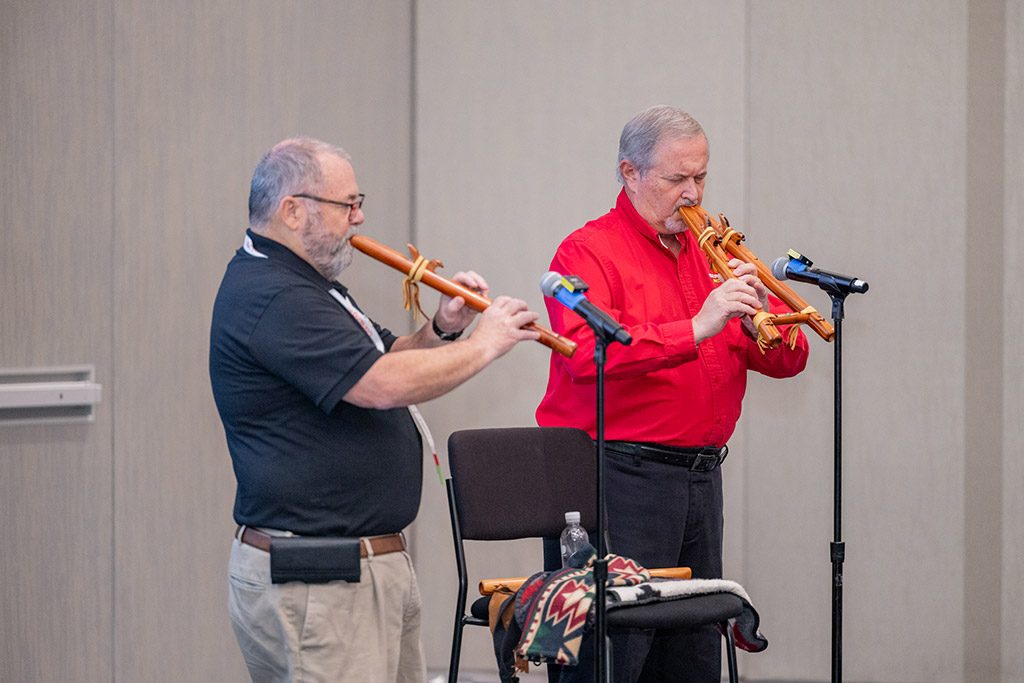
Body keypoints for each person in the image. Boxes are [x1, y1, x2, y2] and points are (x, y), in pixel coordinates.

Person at [209, 137, 539, 683]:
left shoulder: (309, 284)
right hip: (320, 582)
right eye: (348, 204)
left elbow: (386, 356)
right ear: (293, 210)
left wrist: (444, 328)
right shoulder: (273, 295)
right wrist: (485, 345)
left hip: (357, 571)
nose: (359, 218)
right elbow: (379, 385)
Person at [536, 106, 809, 682]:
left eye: (701, 177)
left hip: (700, 479)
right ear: (629, 173)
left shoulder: (715, 253)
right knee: (612, 656)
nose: (693, 195)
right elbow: (584, 355)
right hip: (616, 478)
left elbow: (788, 362)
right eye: (676, 179)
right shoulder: (587, 252)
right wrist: (697, 327)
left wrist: (764, 316)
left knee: (692, 654)